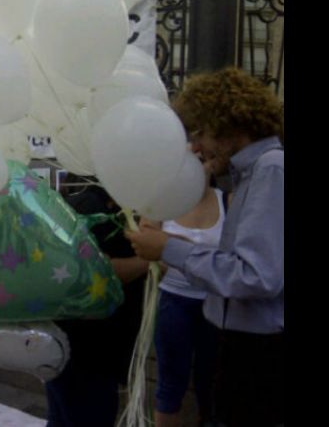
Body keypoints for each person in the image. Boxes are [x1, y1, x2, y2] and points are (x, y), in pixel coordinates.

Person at [126, 67, 283, 427]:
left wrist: (170, 249)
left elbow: (257, 276)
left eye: (201, 133)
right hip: (237, 340)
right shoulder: (251, 172)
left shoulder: (270, 170)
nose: (196, 147)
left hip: (258, 349)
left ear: (230, 126)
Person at [45, 179, 150, 427]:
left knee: (63, 416)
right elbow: (100, 270)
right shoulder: (91, 209)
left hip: (72, 342)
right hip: (90, 347)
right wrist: (152, 259)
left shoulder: (87, 203)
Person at [148, 164, 226, 427]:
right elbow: (146, 246)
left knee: (212, 385)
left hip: (217, 304)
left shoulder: (228, 199)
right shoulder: (163, 202)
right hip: (174, 300)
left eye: (205, 160)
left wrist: (178, 252)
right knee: (171, 383)